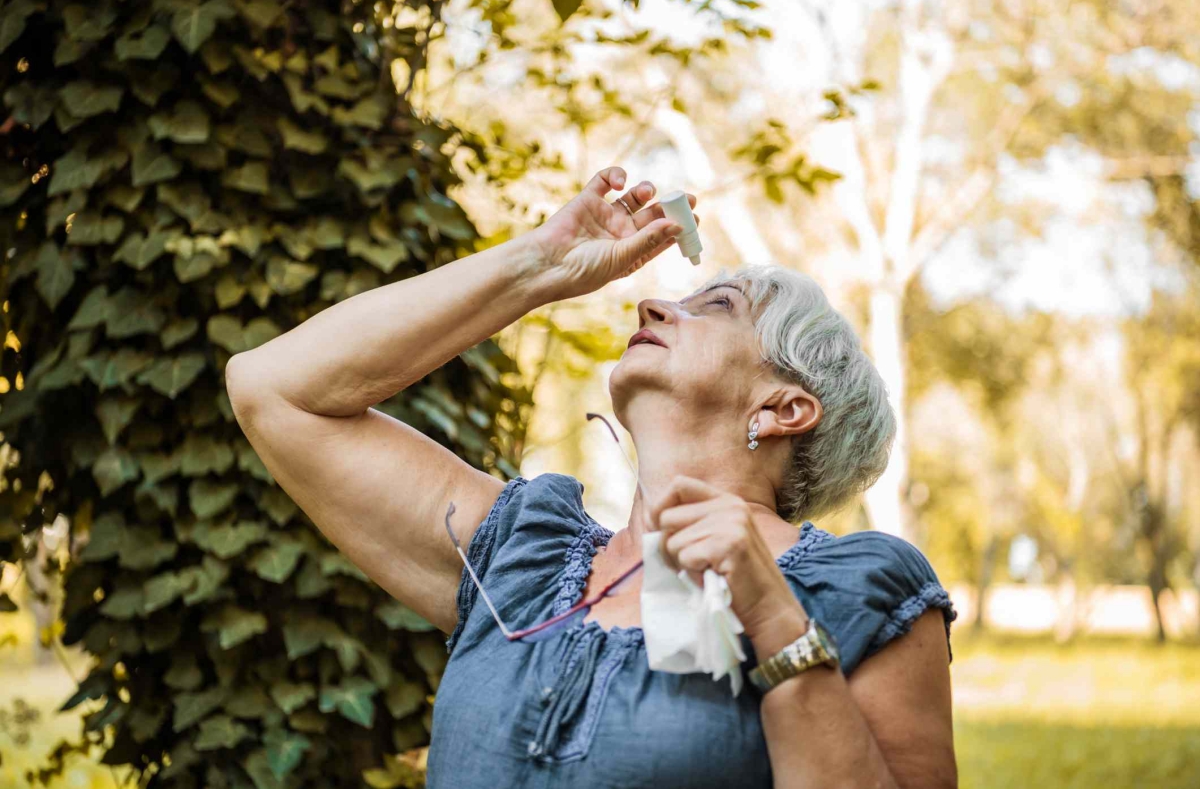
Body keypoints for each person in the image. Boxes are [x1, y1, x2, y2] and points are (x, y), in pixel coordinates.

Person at [227, 166, 957, 789]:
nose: (652, 303)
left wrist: (772, 618)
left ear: (785, 407)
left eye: (718, 307)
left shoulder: (863, 587)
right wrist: (537, 266)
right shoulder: (521, 553)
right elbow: (273, 387)